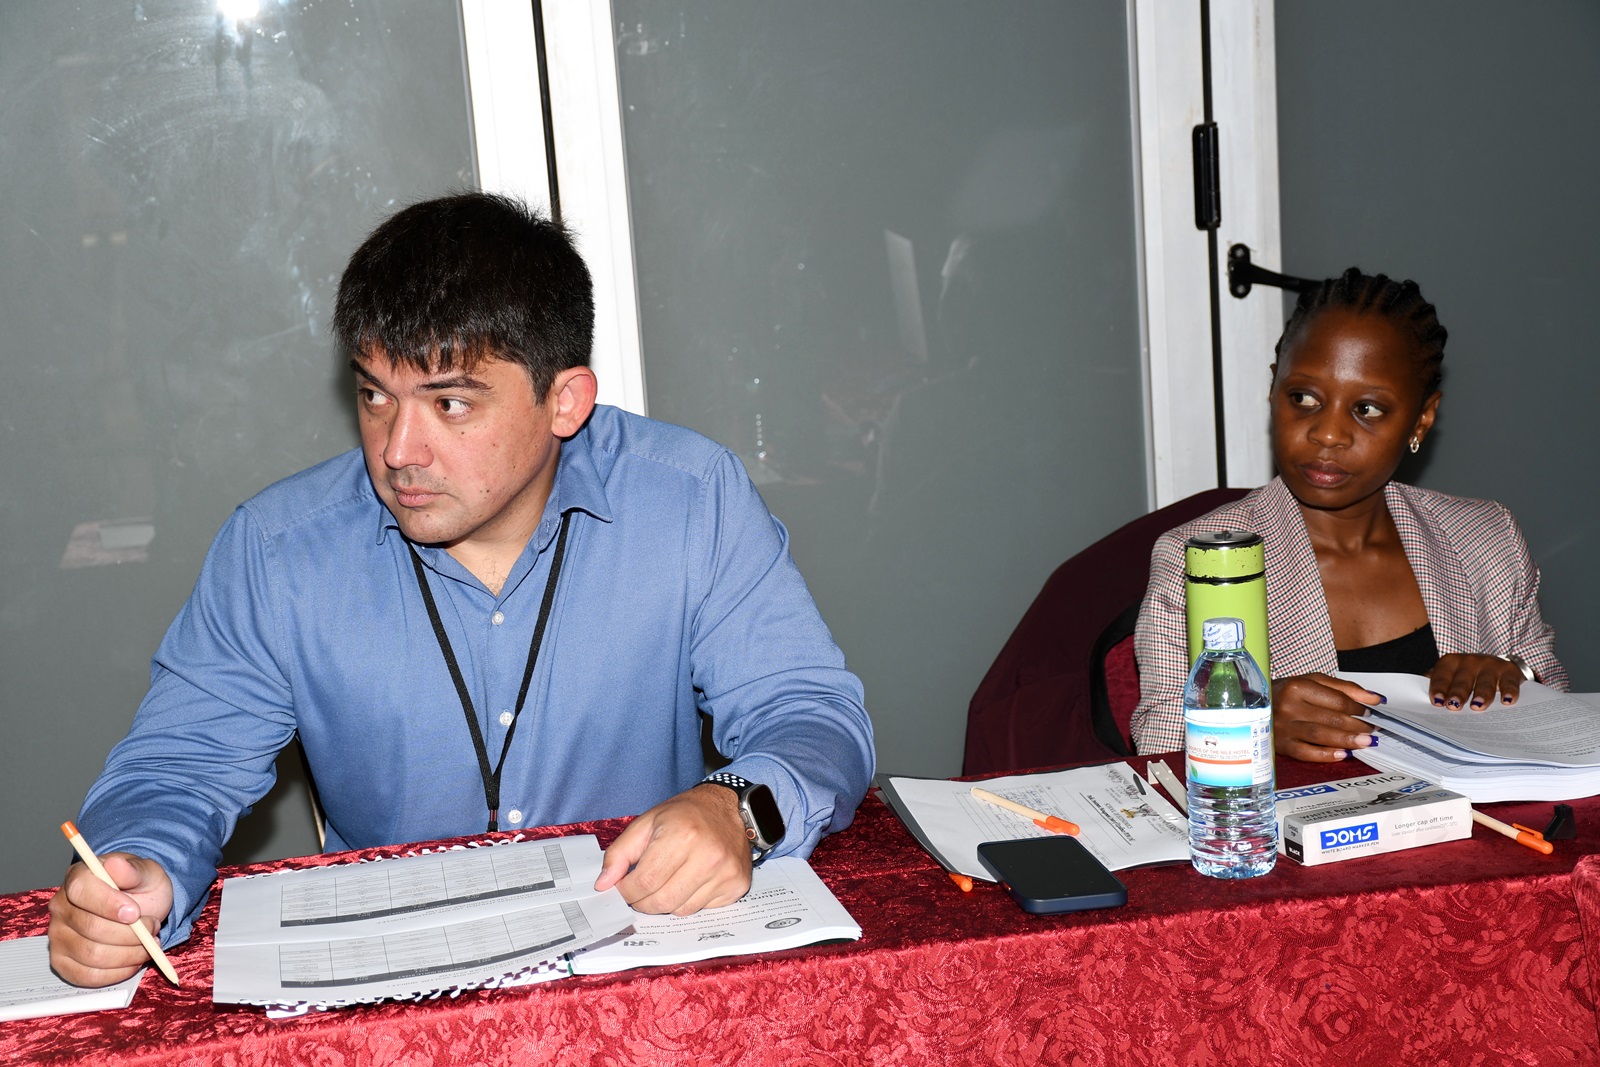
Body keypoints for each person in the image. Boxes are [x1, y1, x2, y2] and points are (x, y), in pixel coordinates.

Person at [48, 192, 875, 987]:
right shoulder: (280, 550)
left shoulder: (690, 497)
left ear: (565, 401)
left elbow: (811, 714)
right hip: (394, 1003)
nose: (399, 449)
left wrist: (739, 806)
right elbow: (179, 763)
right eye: (375, 395)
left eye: (450, 403)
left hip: (637, 978)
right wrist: (140, 863)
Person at [1132, 268, 1566, 758]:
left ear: (1422, 418)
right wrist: (1252, 720)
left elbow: (1562, 716)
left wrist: (1516, 678)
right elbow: (1157, 745)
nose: (1328, 433)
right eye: (1304, 398)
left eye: (1368, 409)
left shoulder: (1487, 539)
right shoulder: (1203, 560)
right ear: (1273, 390)